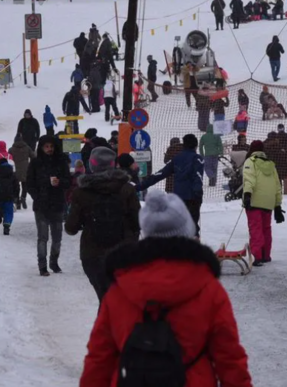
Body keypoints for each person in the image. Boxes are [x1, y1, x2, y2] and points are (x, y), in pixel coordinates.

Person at [78, 191, 253, 387]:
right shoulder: (209, 290)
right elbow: (229, 359)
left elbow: (99, 358)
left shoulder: (120, 290)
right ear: (187, 231)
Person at [66, 147, 140, 302]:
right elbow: (137, 221)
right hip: (123, 252)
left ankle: (107, 324)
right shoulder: (126, 189)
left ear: (91, 165)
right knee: (119, 299)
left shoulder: (81, 192)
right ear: (113, 164)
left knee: (105, 298)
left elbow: (71, 228)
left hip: (93, 253)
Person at [141, 134, 205, 236]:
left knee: (180, 223)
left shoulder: (176, 159)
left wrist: (141, 186)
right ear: (196, 146)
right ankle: (193, 244)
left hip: (178, 197)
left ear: (183, 145)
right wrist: (198, 192)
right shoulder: (197, 158)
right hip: (193, 197)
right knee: (193, 224)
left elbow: (160, 174)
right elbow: (198, 176)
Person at [26, 135, 72, 274]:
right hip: (41, 205)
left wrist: (60, 182)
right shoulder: (35, 163)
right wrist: (37, 196)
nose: (49, 149)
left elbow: (68, 181)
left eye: (51, 146)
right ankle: (42, 265)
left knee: (57, 237)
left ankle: (54, 262)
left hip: (57, 203)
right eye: (46, 146)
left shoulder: (61, 162)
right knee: (43, 237)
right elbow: (30, 183)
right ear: (41, 147)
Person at [242, 140, 283, 266]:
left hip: (255, 201)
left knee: (255, 228)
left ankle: (257, 256)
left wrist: (247, 195)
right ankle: (266, 255)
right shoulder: (271, 165)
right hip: (268, 202)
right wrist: (277, 205)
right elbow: (277, 186)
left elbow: (249, 179)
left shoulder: (250, 161)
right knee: (266, 228)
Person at [0, 158, 18, 235]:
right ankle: (6, 226)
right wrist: (16, 195)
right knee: (9, 212)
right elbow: (16, 185)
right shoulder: (12, 173)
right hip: (9, 195)